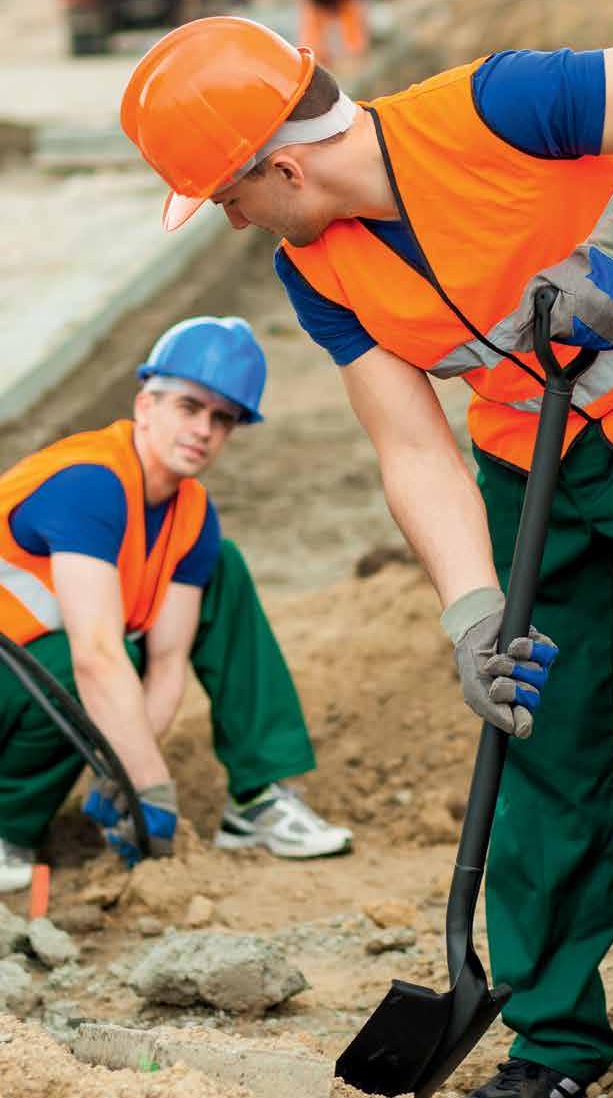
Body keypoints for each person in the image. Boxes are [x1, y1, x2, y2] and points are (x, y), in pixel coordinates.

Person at [121, 17, 613, 1098]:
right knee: (538, 745)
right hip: (531, 473)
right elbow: (411, 444)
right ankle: (554, 1033)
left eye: (228, 195)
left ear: (282, 164)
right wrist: (472, 617)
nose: (231, 219)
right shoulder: (315, 268)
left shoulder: (498, 107)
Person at [0, 313, 352, 893]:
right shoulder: (90, 483)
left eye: (222, 419)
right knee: (82, 665)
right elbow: (95, 655)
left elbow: (167, 662)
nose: (204, 430)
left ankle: (259, 798)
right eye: (189, 407)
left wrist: (125, 776)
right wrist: (150, 784)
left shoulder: (190, 514)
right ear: (145, 405)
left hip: (26, 679)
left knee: (223, 568)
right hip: (19, 673)